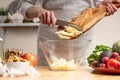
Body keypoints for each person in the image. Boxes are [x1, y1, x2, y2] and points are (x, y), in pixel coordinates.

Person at [18, 0, 120, 66]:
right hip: (50, 38)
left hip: (82, 36)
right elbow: (23, 4)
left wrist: (101, 7)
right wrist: (38, 11)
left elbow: (98, 2)